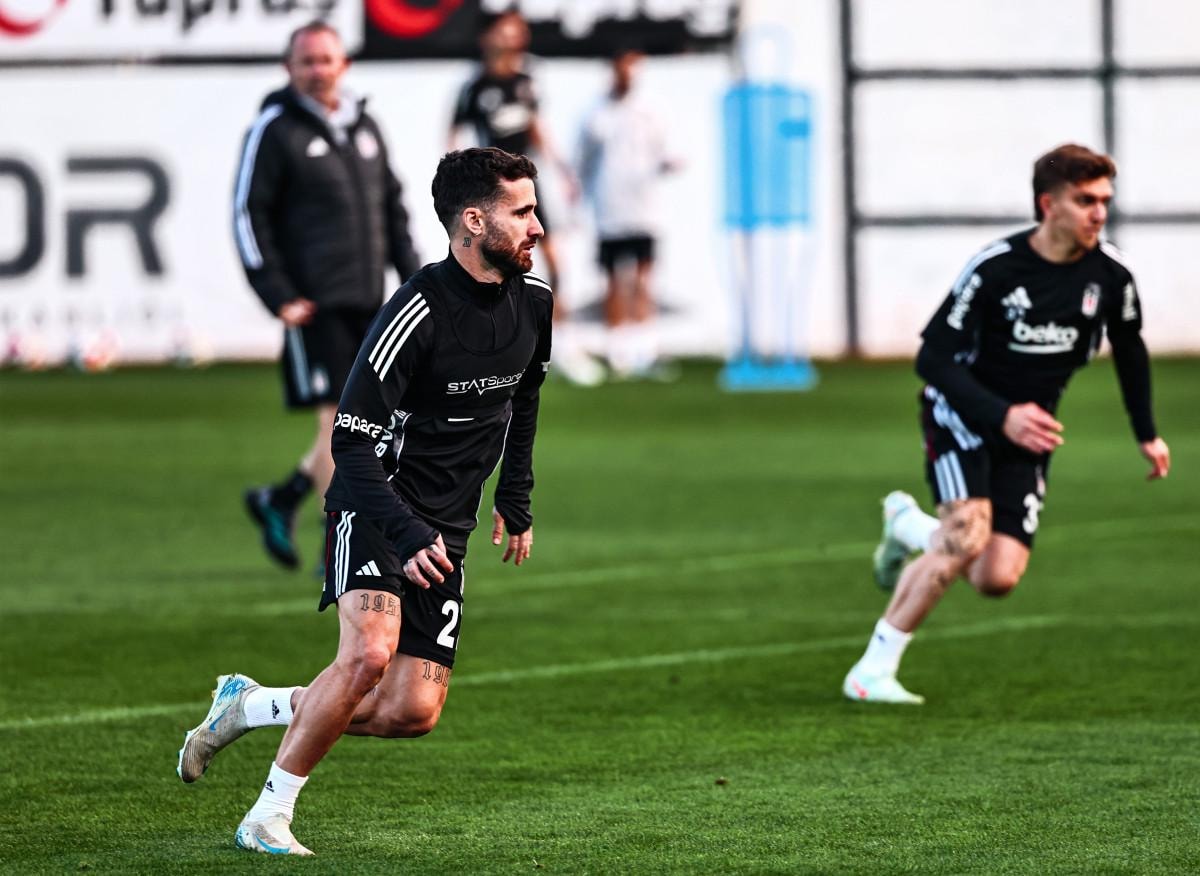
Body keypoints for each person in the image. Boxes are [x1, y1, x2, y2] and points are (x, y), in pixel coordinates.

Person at [178, 147, 552, 856]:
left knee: (411, 711)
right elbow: (349, 443)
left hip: (447, 527)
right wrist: (405, 532)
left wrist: (517, 493)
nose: (538, 226)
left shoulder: (534, 303)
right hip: (376, 506)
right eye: (523, 212)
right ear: (474, 222)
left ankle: (249, 706)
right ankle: (267, 816)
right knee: (367, 657)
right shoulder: (416, 311)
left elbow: (524, 396)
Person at [843, 143, 1171, 705]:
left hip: (1030, 433)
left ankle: (908, 527)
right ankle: (872, 672)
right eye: (1085, 200)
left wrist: (1146, 432)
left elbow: (1130, 347)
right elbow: (933, 359)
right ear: (1048, 204)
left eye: (1105, 201)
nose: (1099, 213)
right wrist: (1002, 415)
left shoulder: (1111, 275)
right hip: (962, 416)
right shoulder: (996, 268)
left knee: (996, 577)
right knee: (965, 537)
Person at [235, 21, 421, 571]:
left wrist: (418, 284)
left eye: (326, 60)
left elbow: (393, 209)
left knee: (372, 424)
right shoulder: (275, 130)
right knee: (340, 426)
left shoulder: (365, 126)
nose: (318, 70)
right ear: (288, 68)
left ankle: (286, 497)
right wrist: (278, 293)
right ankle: (338, 543)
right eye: (307, 61)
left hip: (370, 301)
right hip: (314, 305)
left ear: (345, 65)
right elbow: (248, 214)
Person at [449, 10, 602, 386]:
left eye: (516, 33)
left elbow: (537, 129)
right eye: (505, 32)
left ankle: (562, 342)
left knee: (553, 258)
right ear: (489, 38)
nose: (512, 39)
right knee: (492, 265)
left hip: (526, 187)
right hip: (491, 192)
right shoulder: (475, 87)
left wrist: (563, 170)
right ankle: (486, 345)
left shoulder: (525, 82)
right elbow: (453, 135)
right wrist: (458, 182)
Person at [578, 47, 679, 378]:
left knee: (643, 277)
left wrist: (668, 163)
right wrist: (579, 199)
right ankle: (618, 350)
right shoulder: (596, 112)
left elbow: (667, 150)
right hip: (609, 208)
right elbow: (584, 160)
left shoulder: (652, 109)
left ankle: (644, 350)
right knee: (613, 279)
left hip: (644, 208)